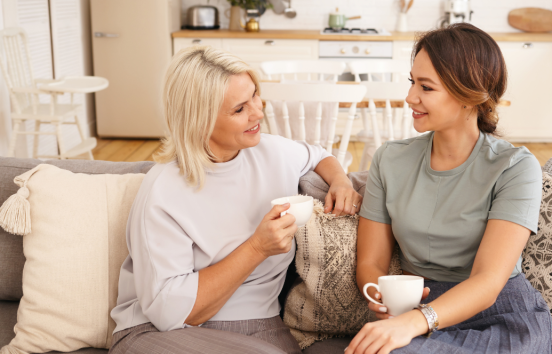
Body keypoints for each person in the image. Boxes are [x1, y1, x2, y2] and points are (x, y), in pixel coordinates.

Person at [109, 47, 362, 354]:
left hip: (262, 324)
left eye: (255, 95)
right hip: (164, 331)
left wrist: (340, 181)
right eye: (240, 109)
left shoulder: (272, 152)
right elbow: (171, 312)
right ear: (200, 120)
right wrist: (257, 248)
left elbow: (320, 155)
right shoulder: (164, 191)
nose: (258, 112)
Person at [346, 23, 552, 354]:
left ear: (468, 94)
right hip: (415, 307)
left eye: (426, 87)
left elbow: (489, 282)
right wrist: (381, 296)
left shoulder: (515, 167)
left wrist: (415, 321)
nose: (410, 97)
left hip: (501, 314)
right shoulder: (389, 160)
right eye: (412, 82)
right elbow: (371, 262)